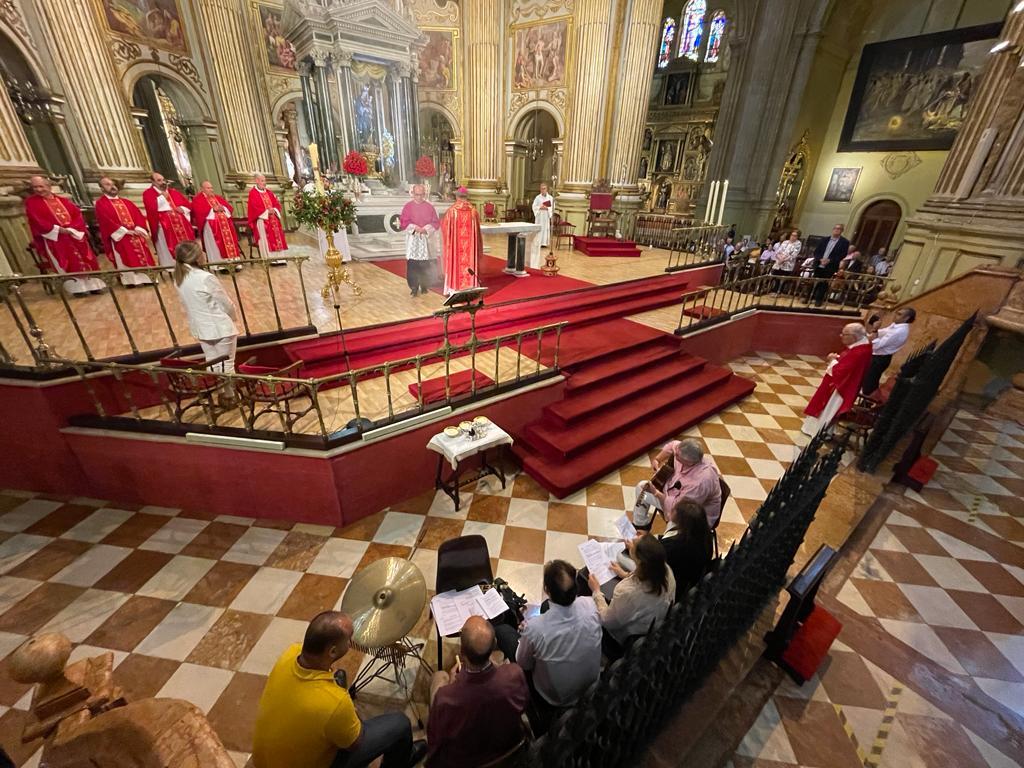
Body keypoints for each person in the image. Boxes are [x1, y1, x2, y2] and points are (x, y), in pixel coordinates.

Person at [252, 611, 426, 768]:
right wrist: (350, 713)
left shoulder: (290, 652)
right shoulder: (334, 702)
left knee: (339, 676)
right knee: (400, 724)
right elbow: (354, 743)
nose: (351, 643)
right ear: (333, 651)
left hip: (265, 761)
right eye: (349, 639)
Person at [494, 560, 601, 732]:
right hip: (591, 683)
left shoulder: (536, 628)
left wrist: (525, 636)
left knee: (503, 631)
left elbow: (524, 664)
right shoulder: (591, 604)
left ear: (547, 590)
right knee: (544, 609)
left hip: (554, 698)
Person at [426, 616, 528, 767]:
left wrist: (454, 683)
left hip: (464, 761)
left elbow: (435, 737)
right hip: (507, 749)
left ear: (462, 653)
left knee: (439, 677)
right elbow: (522, 706)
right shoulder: (514, 674)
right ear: (494, 645)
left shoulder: (446, 698)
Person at [587, 535, 674, 654]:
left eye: (634, 543)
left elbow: (607, 621)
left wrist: (596, 592)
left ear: (638, 559)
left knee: (586, 590)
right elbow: (646, 576)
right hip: (654, 626)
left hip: (630, 640)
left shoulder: (627, 591)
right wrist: (625, 574)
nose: (632, 540)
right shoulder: (666, 570)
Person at [23, 175, 105, 295]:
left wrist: (72, 229)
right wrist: (58, 229)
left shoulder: (63, 200)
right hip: (56, 238)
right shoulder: (31, 203)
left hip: (73, 235)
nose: (38, 189)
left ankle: (94, 285)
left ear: (48, 186)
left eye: (41, 186)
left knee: (87, 260)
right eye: (35, 187)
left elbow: (77, 215)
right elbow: (37, 220)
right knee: (69, 262)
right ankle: (78, 290)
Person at [172, 241, 239, 385]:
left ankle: (221, 392)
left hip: (201, 328)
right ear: (196, 257)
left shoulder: (179, 277)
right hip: (220, 327)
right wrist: (233, 317)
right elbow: (225, 303)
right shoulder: (205, 277)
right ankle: (231, 396)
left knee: (212, 363)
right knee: (227, 365)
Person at [801, 322, 873, 436]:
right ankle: (821, 430)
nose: (841, 336)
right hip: (843, 384)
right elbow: (849, 365)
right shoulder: (862, 347)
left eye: (844, 334)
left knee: (828, 408)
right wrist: (839, 359)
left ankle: (817, 432)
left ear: (853, 337)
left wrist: (832, 360)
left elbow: (840, 372)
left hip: (841, 387)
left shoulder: (859, 351)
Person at [641, 437, 723, 529]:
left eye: (677, 456)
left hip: (690, 517)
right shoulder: (682, 450)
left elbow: (679, 508)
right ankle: (641, 525)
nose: (674, 455)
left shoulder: (699, 483)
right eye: (675, 452)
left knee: (671, 531)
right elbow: (672, 445)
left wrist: (656, 493)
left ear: (690, 463)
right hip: (670, 497)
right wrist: (657, 459)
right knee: (642, 489)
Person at [94, 176, 156, 287]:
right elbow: (106, 221)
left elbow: (138, 216)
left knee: (143, 256)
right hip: (121, 237)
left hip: (136, 235)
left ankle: (148, 278)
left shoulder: (127, 202)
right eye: (107, 184)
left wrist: (138, 228)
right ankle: (131, 281)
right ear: (102, 189)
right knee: (125, 257)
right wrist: (125, 231)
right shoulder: (101, 204)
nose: (112, 186)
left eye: (112, 183)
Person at [660, 500, 714, 601]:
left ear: (681, 520)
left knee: (621, 557)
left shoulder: (675, 546)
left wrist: (634, 547)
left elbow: (651, 559)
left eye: (674, 510)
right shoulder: (706, 537)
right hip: (690, 582)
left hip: (671, 587)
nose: (671, 511)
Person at [143, 172, 194, 267]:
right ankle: (172, 267)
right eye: (159, 180)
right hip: (164, 228)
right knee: (167, 247)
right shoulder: (148, 193)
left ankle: (189, 263)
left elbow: (187, 205)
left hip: (181, 226)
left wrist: (182, 209)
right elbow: (151, 208)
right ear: (153, 182)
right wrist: (162, 198)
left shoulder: (173, 192)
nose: (162, 182)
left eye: (163, 180)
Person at [862, 307, 915, 395]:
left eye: (899, 314)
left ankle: (867, 402)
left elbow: (876, 346)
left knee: (869, 383)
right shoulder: (895, 326)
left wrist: (875, 330)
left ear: (907, 318)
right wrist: (873, 327)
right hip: (878, 357)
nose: (895, 316)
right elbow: (881, 333)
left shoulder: (899, 331)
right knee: (868, 380)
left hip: (880, 359)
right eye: (896, 313)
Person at [440, 186, 482, 296]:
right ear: (466, 196)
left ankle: (455, 288)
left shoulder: (452, 212)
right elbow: (477, 232)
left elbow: (445, 230)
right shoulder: (473, 211)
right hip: (470, 247)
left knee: (456, 260)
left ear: (457, 196)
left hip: (456, 248)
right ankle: (470, 286)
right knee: (469, 261)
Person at [399, 184, 440, 296]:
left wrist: (426, 229)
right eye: (417, 194)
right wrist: (415, 228)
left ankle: (425, 285)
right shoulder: (408, 207)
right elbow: (403, 222)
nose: (419, 197)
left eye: (422, 194)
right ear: (413, 194)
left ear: (424, 194)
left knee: (425, 264)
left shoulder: (429, 207)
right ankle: (413, 286)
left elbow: (435, 222)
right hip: (414, 239)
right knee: (413, 264)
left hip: (426, 239)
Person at [192, 180, 242, 269]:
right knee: (216, 245)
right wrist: (213, 210)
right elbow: (198, 212)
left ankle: (235, 262)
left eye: (211, 188)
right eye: (208, 188)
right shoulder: (198, 199)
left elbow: (229, 208)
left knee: (230, 243)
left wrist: (223, 208)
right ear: (202, 189)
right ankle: (221, 265)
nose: (211, 190)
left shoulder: (218, 198)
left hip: (226, 226)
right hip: (211, 228)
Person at [247, 173, 288, 264]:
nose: (264, 183)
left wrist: (274, 209)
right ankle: (271, 260)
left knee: (278, 238)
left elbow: (276, 204)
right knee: (266, 239)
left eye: (265, 180)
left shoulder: (269, 192)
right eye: (262, 181)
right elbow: (254, 208)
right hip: (262, 221)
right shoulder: (253, 193)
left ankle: (280, 258)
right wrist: (267, 212)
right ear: (256, 181)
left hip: (274, 220)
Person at [809, 224, 850, 306]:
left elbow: (842, 255)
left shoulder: (844, 242)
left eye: (839, 229)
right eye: (835, 228)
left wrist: (829, 260)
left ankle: (818, 300)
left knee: (824, 283)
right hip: (819, 264)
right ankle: (808, 297)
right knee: (814, 282)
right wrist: (820, 259)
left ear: (842, 231)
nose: (836, 230)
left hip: (830, 266)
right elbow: (817, 251)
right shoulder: (824, 239)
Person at [532, 183, 555, 249]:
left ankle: (544, 243)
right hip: (539, 216)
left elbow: (553, 207)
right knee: (539, 229)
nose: (543, 190)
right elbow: (534, 206)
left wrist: (547, 208)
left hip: (546, 216)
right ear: (540, 189)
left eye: (544, 189)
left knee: (545, 229)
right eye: (542, 189)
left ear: (546, 189)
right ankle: (538, 242)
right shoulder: (537, 197)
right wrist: (540, 207)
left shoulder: (550, 198)